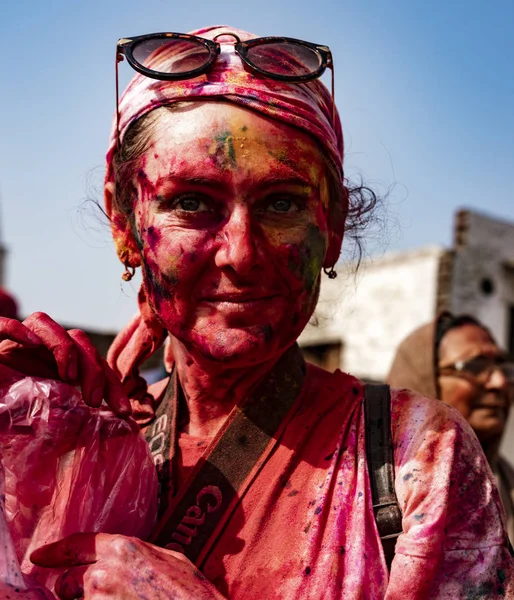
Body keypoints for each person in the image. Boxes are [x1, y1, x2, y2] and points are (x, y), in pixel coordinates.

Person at [0, 25, 513, 599]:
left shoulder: (417, 457)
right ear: (125, 223)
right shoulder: (80, 437)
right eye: (191, 202)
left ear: (334, 225)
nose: (241, 254)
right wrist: (25, 449)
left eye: (282, 204)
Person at [388, 311, 514, 543]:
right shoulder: (377, 492)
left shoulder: (507, 487)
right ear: (424, 381)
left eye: (503, 367)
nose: (500, 382)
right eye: (474, 367)